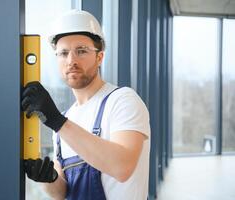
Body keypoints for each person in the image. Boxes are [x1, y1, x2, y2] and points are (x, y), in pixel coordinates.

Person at [22, 9, 150, 200]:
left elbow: (122, 167)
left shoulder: (123, 100)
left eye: (81, 51)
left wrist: (58, 121)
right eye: (63, 53)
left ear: (100, 57)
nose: (71, 60)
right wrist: (47, 179)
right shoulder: (65, 121)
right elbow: (61, 193)